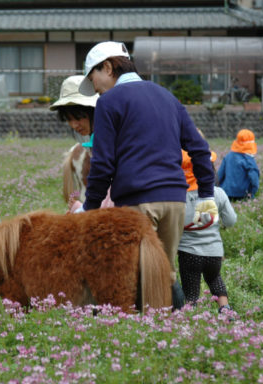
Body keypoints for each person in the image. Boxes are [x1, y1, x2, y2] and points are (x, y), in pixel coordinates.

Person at [77, 41, 217, 306]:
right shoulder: (167, 96)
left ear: (107, 67)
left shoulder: (108, 102)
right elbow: (200, 149)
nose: (94, 87)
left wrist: (90, 209)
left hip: (138, 202)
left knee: (135, 275)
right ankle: (174, 333)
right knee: (165, 273)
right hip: (175, 201)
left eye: (93, 78)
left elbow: (103, 164)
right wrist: (206, 195)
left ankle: (140, 339)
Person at [178, 150, 237, 316]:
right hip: (214, 253)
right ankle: (225, 310)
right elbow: (231, 220)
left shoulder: (177, 197)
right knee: (215, 279)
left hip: (188, 253)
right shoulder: (218, 193)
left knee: (191, 291)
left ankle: (191, 318)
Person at [49, 74, 112, 212]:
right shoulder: (95, 140)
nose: (74, 125)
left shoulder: (107, 142)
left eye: (79, 117)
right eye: (69, 119)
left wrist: (80, 210)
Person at [218, 129, 260, 201]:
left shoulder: (228, 156)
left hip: (226, 193)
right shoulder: (249, 159)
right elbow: (254, 178)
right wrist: (252, 192)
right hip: (243, 194)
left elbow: (219, 175)